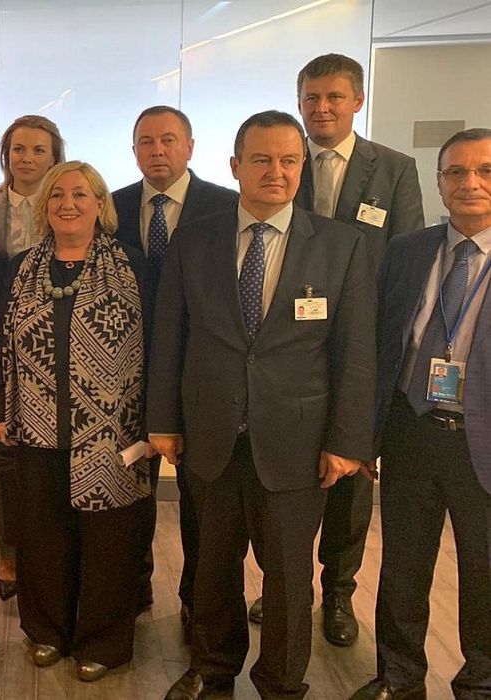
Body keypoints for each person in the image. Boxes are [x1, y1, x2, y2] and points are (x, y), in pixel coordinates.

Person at [150, 111, 376, 700]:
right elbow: (170, 336)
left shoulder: (341, 246)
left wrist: (348, 441)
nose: (276, 171)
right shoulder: (194, 239)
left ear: (302, 167)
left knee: (289, 579)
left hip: (298, 444)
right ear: (235, 166)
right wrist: (163, 421)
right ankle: (213, 670)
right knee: (212, 567)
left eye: (288, 160)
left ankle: (281, 683)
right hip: (211, 436)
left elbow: (355, 351)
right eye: (261, 159)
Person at [245, 53, 427, 644]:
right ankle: (284, 585)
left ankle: (339, 592)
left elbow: (405, 263)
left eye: (334, 97)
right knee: (281, 479)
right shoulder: (281, 161)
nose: (321, 108)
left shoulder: (393, 169)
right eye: (311, 98)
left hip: (359, 346)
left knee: (348, 476)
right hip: (288, 349)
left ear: (357, 101)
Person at [0, 160, 152, 681]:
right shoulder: (22, 267)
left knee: (109, 540)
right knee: (42, 535)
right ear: (45, 207)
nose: (68, 204)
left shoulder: (132, 266)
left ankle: (102, 641)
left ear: (100, 205)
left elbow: (158, 344)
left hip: (112, 431)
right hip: (37, 425)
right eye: (57, 195)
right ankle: (47, 631)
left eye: (80, 194)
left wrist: (156, 422)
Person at [351, 128, 491, 700]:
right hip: (411, 431)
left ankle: (481, 681)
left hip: (483, 441)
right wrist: (365, 435)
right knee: (403, 567)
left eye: (485, 171)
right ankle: (399, 677)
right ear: (438, 182)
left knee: (484, 572)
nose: (470, 183)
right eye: (456, 172)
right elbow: (381, 347)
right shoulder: (408, 251)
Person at [111, 105, 238, 629]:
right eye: (146, 141)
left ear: (190, 146)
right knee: (128, 491)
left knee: (200, 501)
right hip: (124, 375)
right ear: (134, 150)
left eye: (168, 140)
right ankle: (132, 587)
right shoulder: (112, 206)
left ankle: (195, 599)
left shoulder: (227, 206)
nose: (157, 150)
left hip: (200, 377)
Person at [0, 114, 65, 602]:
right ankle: (9, 553)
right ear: (5, 154)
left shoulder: (68, 205)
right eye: (18, 149)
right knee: (4, 454)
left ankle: (51, 553)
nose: (27, 158)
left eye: (38, 150)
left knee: (54, 457)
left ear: (55, 157)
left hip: (59, 352)